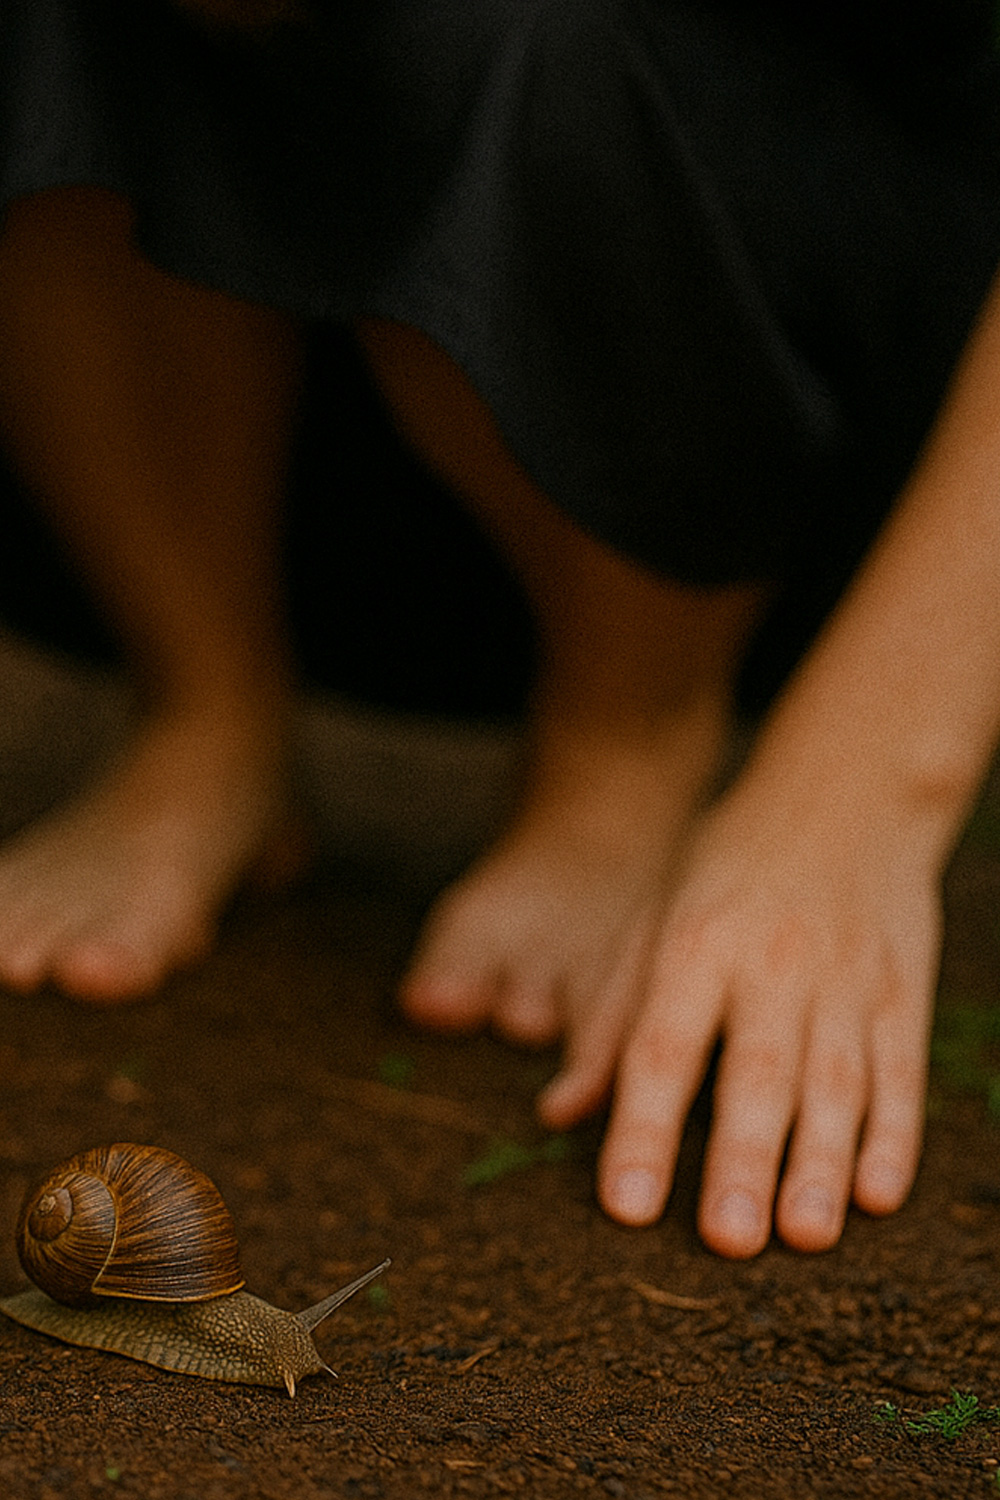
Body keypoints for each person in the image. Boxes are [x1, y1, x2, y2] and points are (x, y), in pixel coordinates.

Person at [1, 0, 999, 1259]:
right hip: (287, 417)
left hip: (763, 377)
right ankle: (204, 700)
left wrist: (868, 786)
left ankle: (629, 732)